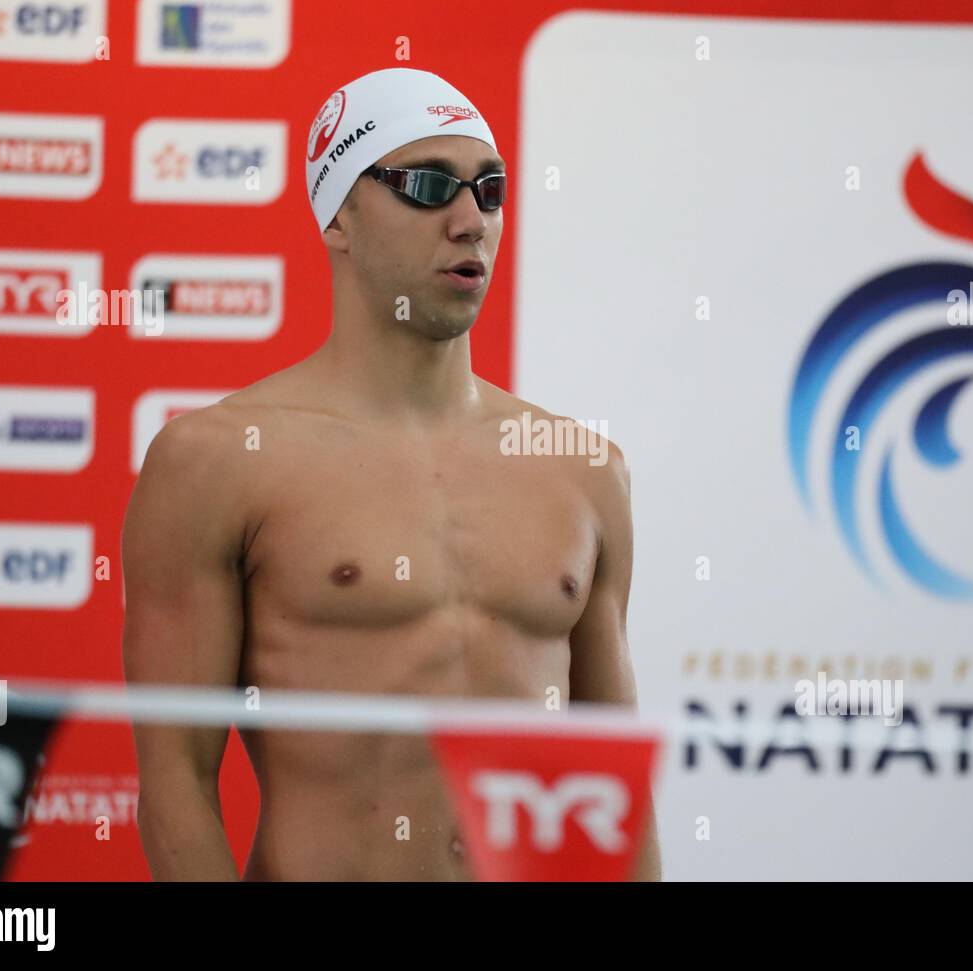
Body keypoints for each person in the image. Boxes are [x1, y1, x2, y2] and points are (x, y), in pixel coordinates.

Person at [122, 68, 660, 881]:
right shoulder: (219, 460)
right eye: (427, 185)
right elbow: (175, 783)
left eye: (490, 188)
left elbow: (612, 785)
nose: (469, 218)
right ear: (339, 214)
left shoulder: (584, 470)